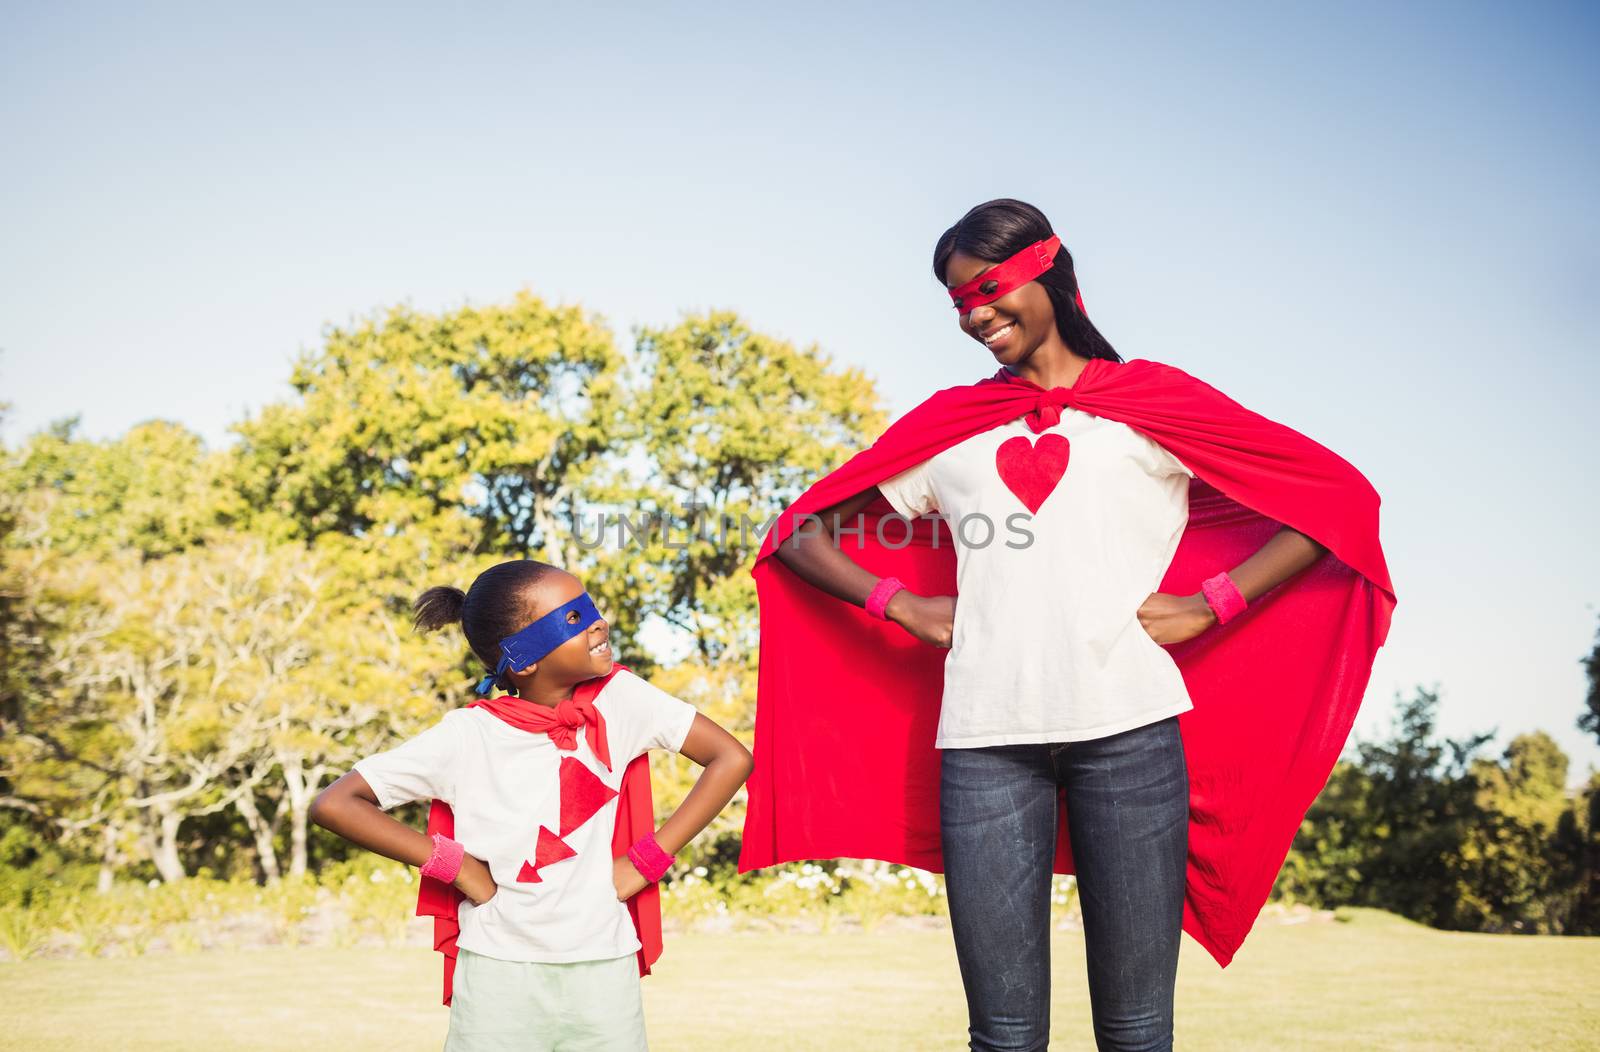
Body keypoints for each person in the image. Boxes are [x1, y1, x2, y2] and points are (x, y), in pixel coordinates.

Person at [739, 198, 1396, 1052]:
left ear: (1049, 269)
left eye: (987, 287)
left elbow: (1337, 503)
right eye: (957, 302)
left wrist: (1214, 601)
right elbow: (797, 533)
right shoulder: (952, 427)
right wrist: (898, 604)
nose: (975, 314)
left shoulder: (1151, 403)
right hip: (982, 746)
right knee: (1004, 1037)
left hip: (1131, 737)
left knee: (1135, 1033)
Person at [312, 559, 753, 1051]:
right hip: (499, 975)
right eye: (572, 618)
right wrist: (455, 867)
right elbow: (337, 804)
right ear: (522, 659)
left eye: (589, 608)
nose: (598, 621)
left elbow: (730, 758)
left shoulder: (622, 700)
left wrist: (648, 860)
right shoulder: (467, 735)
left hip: (603, 969)